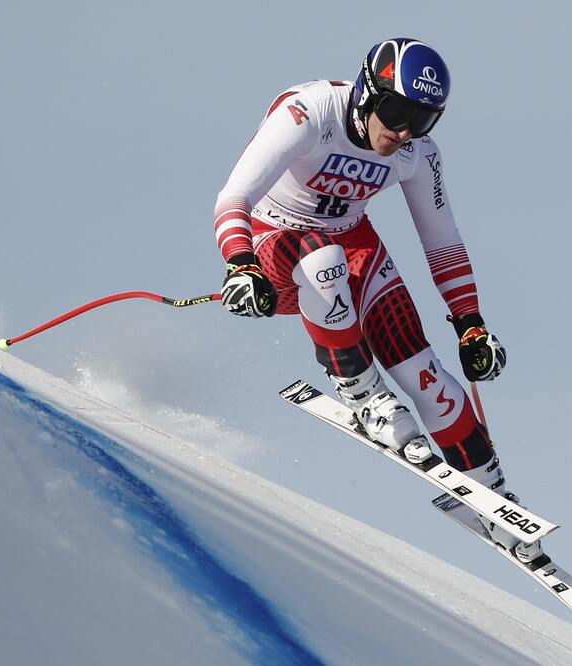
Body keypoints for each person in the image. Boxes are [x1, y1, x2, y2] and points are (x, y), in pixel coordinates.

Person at [213, 38, 540, 562]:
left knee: (425, 374)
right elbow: (233, 198)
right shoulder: (307, 112)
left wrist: (470, 324)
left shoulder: (416, 155)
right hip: (274, 244)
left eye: (423, 119)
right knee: (323, 259)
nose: (405, 129)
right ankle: (361, 392)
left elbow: (442, 240)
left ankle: (493, 502)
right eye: (396, 110)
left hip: (351, 243)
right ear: (368, 92)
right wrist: (239, 263)